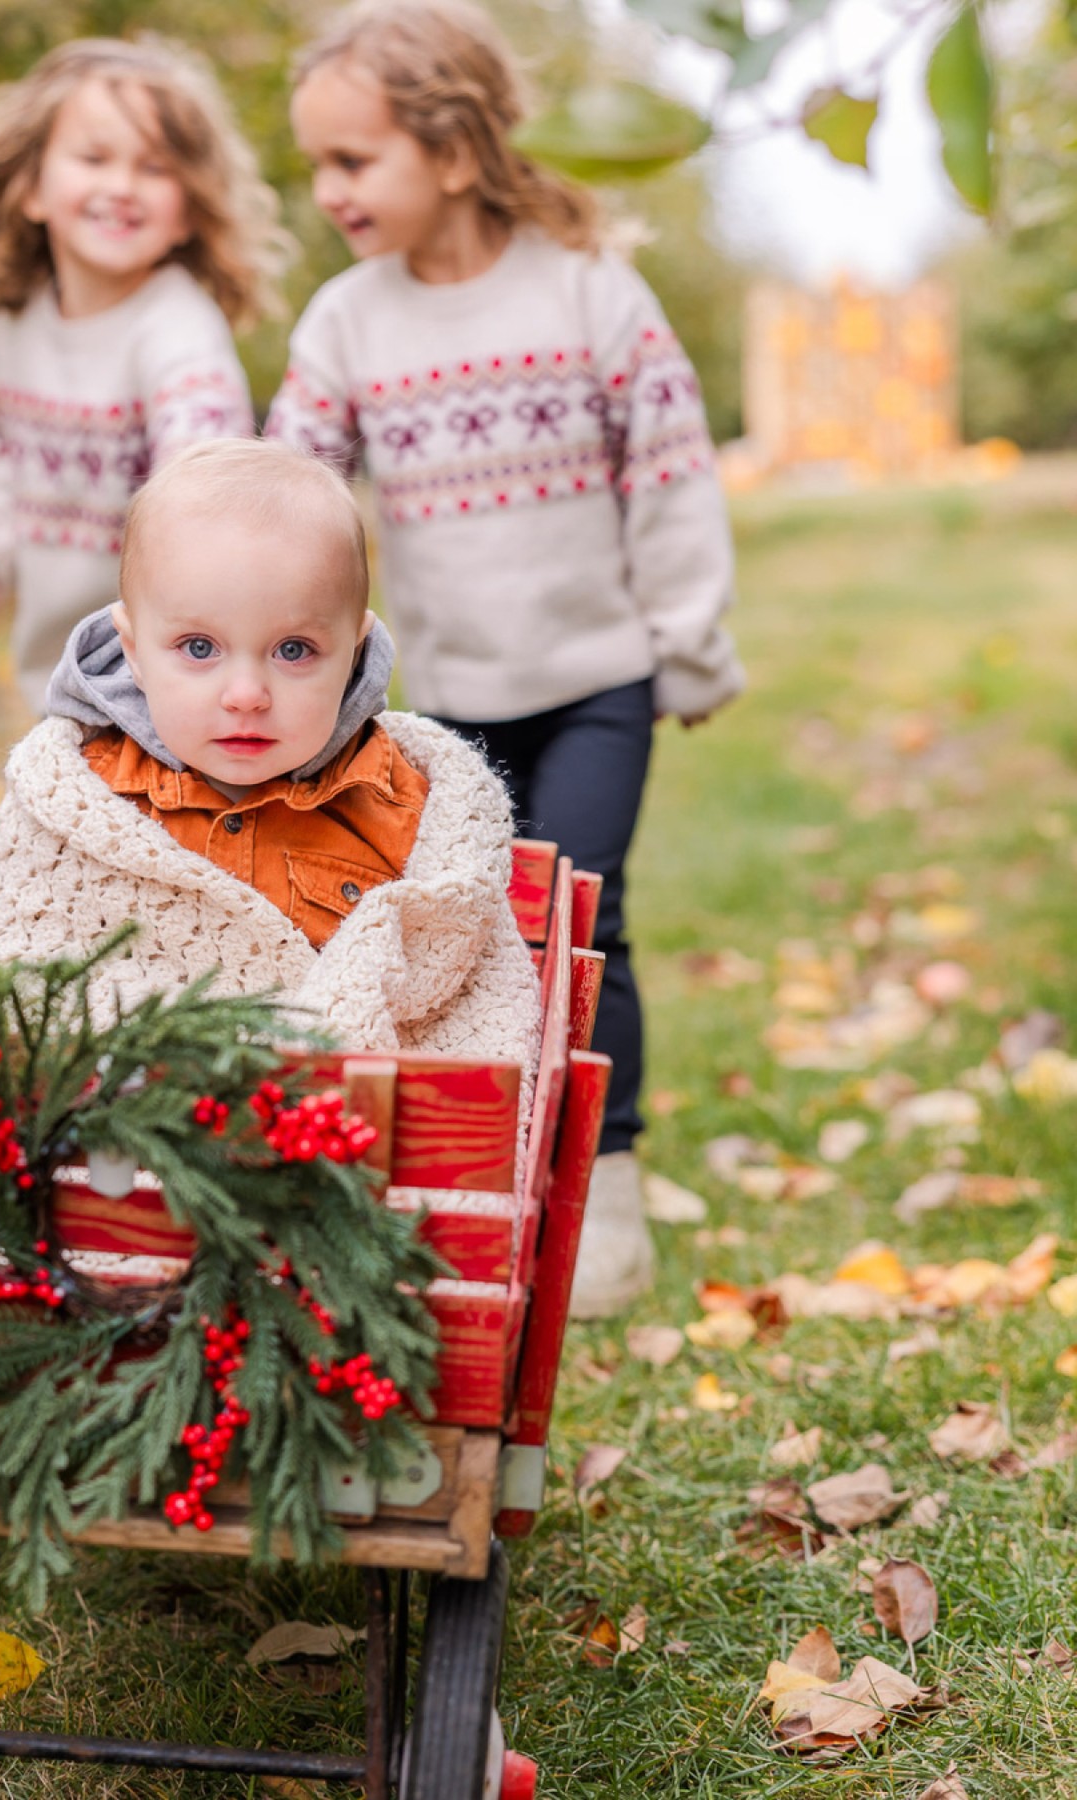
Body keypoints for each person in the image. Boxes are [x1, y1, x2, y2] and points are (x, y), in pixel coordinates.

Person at [266, 0, 744, 1317]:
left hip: (597, 678)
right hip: (454, 701)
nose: (328, 193)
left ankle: (608, 1191)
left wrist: (687, 645)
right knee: (476, 937)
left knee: (582, 916)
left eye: (352, 162)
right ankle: (491, 1168)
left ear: (455, 151)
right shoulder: (345, 323)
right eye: (316, 166)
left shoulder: (589, 292)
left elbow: (670, 479)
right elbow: (292, 494)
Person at [0, 439, 541, 1084]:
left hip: (340, 1127)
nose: (245, 696)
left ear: (353, 651)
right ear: (134, 652)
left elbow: (450, 969)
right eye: (199, 646)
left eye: (293, 650)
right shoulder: (84, 798)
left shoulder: (394, 802)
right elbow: (20, 966)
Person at [0, 38, 288, 712]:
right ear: (31, 186)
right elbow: (11, 463)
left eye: (154, 167)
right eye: (94, 158)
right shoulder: (12, 333)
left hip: (170, 689)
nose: (121, 186)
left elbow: (203, 488)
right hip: (57, 681)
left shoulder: (177, 330)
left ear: (188, 206)